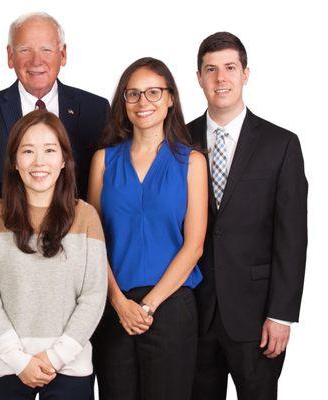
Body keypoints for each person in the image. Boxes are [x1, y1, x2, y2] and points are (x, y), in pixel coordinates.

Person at [188, 32, 308, 400]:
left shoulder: (281, 144)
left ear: (245, 74)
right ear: (199, 77)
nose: (220, 79)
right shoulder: (179, 139)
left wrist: (282, 314)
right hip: (195, 312)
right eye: (211, 70)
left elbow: (292, 235)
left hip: (257, 317)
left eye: (229, 68)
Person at [89, 57, 208, 400]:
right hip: (114, 306)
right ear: (122, 102)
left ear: (171, 98)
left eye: (154, 93)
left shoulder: (192, 162)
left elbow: (194, 245)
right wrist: (119, 301)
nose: (144, 103)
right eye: (134, 94)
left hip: (170, 307)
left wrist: (149, 305)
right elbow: (93, 242)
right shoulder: (103, 161)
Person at [0, 110, 107, 399]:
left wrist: (55, 357)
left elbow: (93, 295)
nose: (39, 161)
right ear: (15, 162)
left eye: (49, 150)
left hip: (69, 367)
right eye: (28, 151)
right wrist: (19, 360)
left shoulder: (86, 217)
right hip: (6, 366)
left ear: (64, 161)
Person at [0, 11, 109, 198]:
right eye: (25, 50)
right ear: (10, 56)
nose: (36, 61)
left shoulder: (95, 110)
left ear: (63, 54)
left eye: (46, 49)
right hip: (2, 224)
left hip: (78, 224)